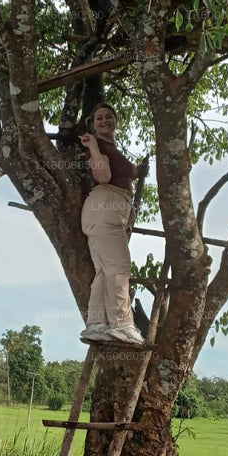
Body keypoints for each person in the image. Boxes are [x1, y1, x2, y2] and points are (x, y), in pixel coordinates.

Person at [78, 102, 146, 346]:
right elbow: (104, 176)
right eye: (99, 118)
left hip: (106, 210)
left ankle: (96, 324)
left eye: (109, 116)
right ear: (93, 125)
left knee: (105, 270)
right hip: (105, 205)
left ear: (116, 120)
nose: (105, 121)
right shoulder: (96, 146)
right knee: (118, 266)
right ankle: (122, 325)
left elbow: (124, 173)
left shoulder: (112, 148)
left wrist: (137, 170)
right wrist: (94, 146)